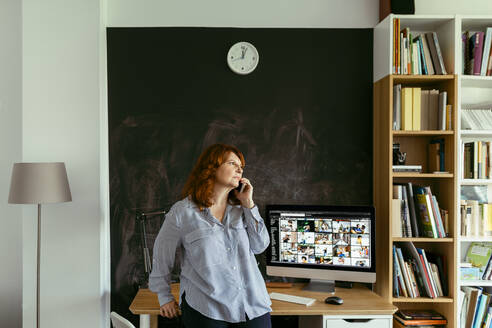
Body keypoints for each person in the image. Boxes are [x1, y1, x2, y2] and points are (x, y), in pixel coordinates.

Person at [149, 144, 271, 327]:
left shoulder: (242, 209)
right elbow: (161, 255)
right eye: (232, 163)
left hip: (252, 304)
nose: (239, 169)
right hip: (206, 307)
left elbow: (260, 245)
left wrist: (249, 204)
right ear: (212, 168)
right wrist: (164, 296)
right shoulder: (182, 212)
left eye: (241, 166)